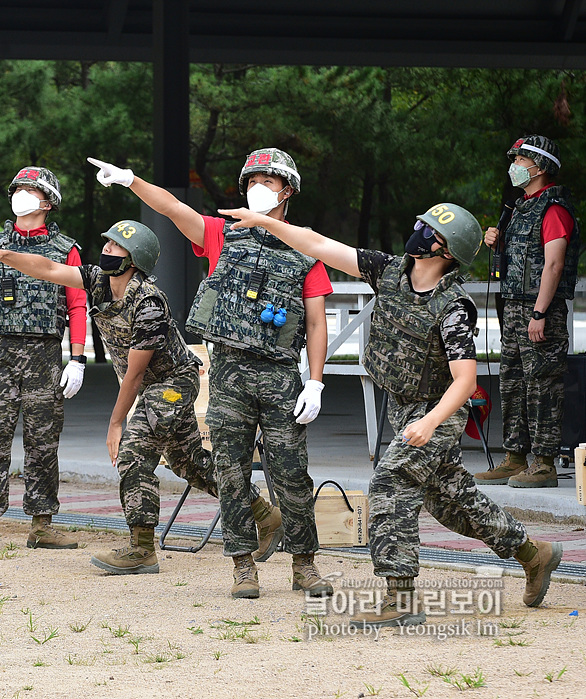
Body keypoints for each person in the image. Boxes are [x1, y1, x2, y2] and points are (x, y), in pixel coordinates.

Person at [225, 202, 563, 626]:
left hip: (437, 411)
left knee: (390, 483)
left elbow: (465, 382)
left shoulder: (453, 308)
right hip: (404, 407)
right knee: (453, 502)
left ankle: (399, 597)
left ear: (446, 250)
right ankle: (535, 554)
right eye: (420, 222)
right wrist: (265, 222)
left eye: (427, 228)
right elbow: (318, 244)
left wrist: (429, 422)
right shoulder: (388, 270)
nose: (417, 230)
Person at [89, 150, 333, 599]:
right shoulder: (223, 234)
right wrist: (132, 181)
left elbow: (316, 322)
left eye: (268, 180)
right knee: (232, 470)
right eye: (253, 179)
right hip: (229, 374)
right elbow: (173, 208)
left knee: (291, 473)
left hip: (280, 376)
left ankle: (305, 566)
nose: (258, 186)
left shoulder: (307, 248)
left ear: (288, 190)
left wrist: (315, 381)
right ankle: (243, 568)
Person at [0, 220, 219, 574]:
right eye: (106, 242)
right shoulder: (99, 281)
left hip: (173, 382)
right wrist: (5, 255)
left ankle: (142, 548)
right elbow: (49, 268)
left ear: (134, 259)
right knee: (190, 464)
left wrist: (116, 424)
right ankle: (262, 513)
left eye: (116, 246)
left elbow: (134, 375)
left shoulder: (149, 302)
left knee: (132, 449)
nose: (106, 248)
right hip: (151, 385)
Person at [0, 166, 88, 553]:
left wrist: (78, 358)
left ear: (47, 202)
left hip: (46, 355)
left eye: (30, 190)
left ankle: (42, 524)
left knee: (44, 442)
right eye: (17, 188)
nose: (20, 195)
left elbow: (78, 303)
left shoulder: (65, 249)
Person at [474, 136, 580, 489]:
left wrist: (540, 313)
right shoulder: (520, 207)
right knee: (513, 382)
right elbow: (519, 257)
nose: (515, 164)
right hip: (515, 308)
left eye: (521, 158)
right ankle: (515, 457)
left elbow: (553, 265)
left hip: (539, 311)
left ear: (541, 166)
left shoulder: (554, 209)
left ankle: (545, 463)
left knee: (543, 385)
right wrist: (494, 237)